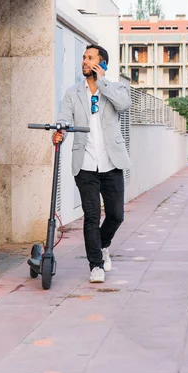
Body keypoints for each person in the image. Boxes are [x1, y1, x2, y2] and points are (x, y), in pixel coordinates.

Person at [53, 44, 131, 283]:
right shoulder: (73, 93)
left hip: (112, 162)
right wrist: (59, 133)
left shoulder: (115, 88)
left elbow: (124, 105)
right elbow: (64, 120)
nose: (85, 61)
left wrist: (103, 82)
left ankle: (103, 245)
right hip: (85, 164)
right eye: (84, 58)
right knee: (91, 215)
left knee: (116, 215)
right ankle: (95, 265)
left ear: (101, 63)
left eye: (90, 58)